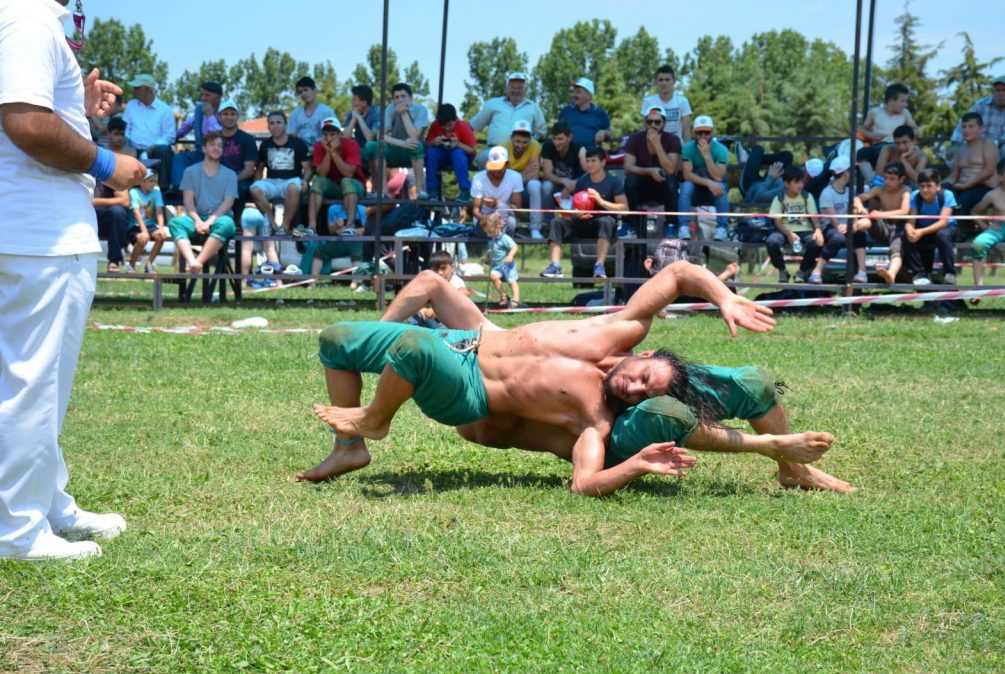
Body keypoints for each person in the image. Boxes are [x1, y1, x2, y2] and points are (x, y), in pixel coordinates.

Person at [306, 262, 850, 497]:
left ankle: (375, 421)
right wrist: (724, 295)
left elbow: (584, 483)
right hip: (476, 338)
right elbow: (680, 273)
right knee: (340, 337)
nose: (635, 388)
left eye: (644, 394)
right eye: (644, 377)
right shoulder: (618, 328)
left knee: (411, 346)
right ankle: (349, 445)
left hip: (469, 390)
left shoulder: (596, 418)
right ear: (643, 352)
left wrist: (635, 462)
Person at [1, 0, 146, 561]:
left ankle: (46, 500)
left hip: (33, 231)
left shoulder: (26, 23)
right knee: (31, 385)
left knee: (39, 386)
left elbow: (32, 114)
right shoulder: (28, 20)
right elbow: (26, 124)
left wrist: (77, 111)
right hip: (40, 235)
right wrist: (109, 165)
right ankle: (17, 529)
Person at [541, 146, 627, 279]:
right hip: (581, 222)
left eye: (594, 160)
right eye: (588, 161)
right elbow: (576, 205)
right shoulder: (583, 180)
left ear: (603, 162)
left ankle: (599, 266)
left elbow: (625, 209)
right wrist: (576, 213)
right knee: (556, 221)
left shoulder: (613, 182)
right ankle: (555, 265)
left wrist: (601, 201)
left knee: (607, 221)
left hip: (602, 225)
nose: (590, 164)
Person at [247, 110, 310, 279]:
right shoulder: (266, 145)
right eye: (272, 123)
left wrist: (306, 180)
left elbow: (308, 167)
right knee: (254, 189)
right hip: (272, 181)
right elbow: (260, 169)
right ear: (268, 126)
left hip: (292, 180)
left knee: (293, 187)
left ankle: (284, 225)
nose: (275, 126)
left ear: (285, 124)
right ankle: (272, 219)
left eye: (278, 122)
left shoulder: (298, 144)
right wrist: (257, 182)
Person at [168, 132, 237, 273]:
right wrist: (198, 221)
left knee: (227, 224)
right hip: (197, 219)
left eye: (219, 146)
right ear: (204, 149)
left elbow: (228, 202)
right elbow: (188, 201)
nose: (216, 148)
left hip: (219, 220)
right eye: (212, 145)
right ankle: (191, 260)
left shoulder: (230, 174)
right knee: (175, 223)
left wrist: (209, 222)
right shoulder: (190, 171)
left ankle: (197, 262)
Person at [803, 156, 869, 284]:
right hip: (830, 228)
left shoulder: (850, 191)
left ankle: (862, 272)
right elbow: (833, 220)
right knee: (838, 238)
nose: (853, 173)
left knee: (860, 234)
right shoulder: (827, 193)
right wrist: (842, 227)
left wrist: (854, 224)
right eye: (851, 170)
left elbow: (854, 211)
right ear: (845, 173)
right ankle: (817, 272)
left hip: (847, 226)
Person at [623, 105, 681, 236]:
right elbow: (627, 168)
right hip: (642, 187)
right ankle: (631, 224)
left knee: (671, 180)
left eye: (657, 122)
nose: (653, 125)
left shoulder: (672, 140)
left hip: (663, 188)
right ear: (645, 123)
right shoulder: (635, 139)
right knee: (629, 180)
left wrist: (657, 144)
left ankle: (671, 225)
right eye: (649, 122)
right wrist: (650, 171)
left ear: (664, 124)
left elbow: (671, 169)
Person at [362, 83, 429, 193]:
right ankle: (382, 192)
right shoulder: (390, 109)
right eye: (396, 97)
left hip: (414, 151)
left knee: (417, 146)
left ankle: (420, 191)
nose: (400, 100)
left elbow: (414, 136)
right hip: (396, 149)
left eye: (403, 96)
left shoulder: (421, 110)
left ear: (411, 98)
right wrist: (402, 143)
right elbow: (381, 136)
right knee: (373, 146)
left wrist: (403, 114)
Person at [852, 163, 912, 285]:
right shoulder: (880, 189)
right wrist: (859, 205)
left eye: (892, 179)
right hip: (882, 227)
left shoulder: (906, 190)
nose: (888, 182)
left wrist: (881, 214)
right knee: (869, 216)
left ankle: (891, 274)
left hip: (899, 228)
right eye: (886, 178)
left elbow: (904, 211)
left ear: (901, 179)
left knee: (896, 249)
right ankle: (855, 227)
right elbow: (858, 198)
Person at [470, 72, 546, 167]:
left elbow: (541, 132)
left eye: (520, 88)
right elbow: (474, 125)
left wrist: (528, 144)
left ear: (526, 90)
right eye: (513, 87)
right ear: (506, 89)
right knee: (483, 158)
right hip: (496, 149)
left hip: (522, 152)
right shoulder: (492, 104)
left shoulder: (534, 108)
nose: (516, 91)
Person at [970, 159, 1005, 286]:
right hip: (997, 230)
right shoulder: (992, 195)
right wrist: (984, 227)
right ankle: (978, 286)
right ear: (1000, 177)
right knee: (978, 244)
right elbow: (974, 212)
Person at [308, 116, 366, 234]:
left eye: (333, 134)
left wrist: (334, 153)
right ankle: (311, 227)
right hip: (333, 186)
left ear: (340, 134)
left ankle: (350, 226)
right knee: (317, 181)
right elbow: (322, 173)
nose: (329, 138)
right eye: (325, 134)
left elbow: (348, 173)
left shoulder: (351, 144)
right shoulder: (319, 146)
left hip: (355, 185)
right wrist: (329, 153)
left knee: (346, 181)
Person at [903, 169, 958, 286]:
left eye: (929, 186)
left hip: (945, 228)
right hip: (924, 230)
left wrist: (921, 232)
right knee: (906, 235)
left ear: (938, 186)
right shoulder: (915, 196)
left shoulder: (947, 195)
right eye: (922, 186)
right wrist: (909, 229)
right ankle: (919, 273)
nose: (925, 190)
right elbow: (911, 220)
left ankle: (949, 273)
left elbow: (943, 222)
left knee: (942, 235)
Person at [951, 75, 1005, 163]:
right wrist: (955, 142)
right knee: (954, 155)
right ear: (993, 92)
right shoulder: (980, 105)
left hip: (1004, 144)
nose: (1001, 93)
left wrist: (996, 143)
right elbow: (964, 123)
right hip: (980, 145)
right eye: (997, 90)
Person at [766, 166, 820, 283]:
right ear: (786, 183)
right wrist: (789, 234)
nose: (800, 185)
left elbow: (814, 217)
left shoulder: (807, 196)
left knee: (815, 242)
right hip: (784, 230)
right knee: (772, 241)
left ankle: (802, 271)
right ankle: (782, 270)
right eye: (796, 182)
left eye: (801, 181)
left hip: (805, 230)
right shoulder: (779, 198)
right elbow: (777, 221)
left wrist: (818, 230)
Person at [679, 115, 729, 240]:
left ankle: (722, 228)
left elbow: (718, 176)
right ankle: (683, 226)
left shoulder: (721, 149)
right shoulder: (688, 148)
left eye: (706, 132)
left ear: (712, 132)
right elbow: (687, 175)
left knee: (721, 187)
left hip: (713, 191)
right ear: (694, 133)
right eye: (699, 132)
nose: (703, 136)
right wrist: (708, 183)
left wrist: (707, 155)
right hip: (696, 189)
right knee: (685, 187)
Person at [121, 73, 175, 189]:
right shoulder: (131, 105)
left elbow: (169, 136)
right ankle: (124, 190)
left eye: (137, 88)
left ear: (147, 89)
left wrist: (152, 147)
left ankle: (163, 190)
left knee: (164, 150)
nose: (133, 91)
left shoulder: (165, 110)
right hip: (133, 148)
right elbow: (126, 129)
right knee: (121, 149)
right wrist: (128, 143)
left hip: (155, 150)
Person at [948, 112, 999, 231]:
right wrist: (941, 186)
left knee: (962, 202)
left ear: (981, 128)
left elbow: (989, 170)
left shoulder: (988, 144)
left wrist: (967, 184)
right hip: (963, 187)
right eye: (964, 126)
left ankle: (966, 233)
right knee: (945, 195)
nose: (966, 130)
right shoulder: (960, 149)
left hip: (984, 187)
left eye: (971, 126)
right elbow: (953, 175)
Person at [858, 83, 918, 180]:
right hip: (878, 146)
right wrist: (873, 135)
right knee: (861, 153)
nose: (905, 104)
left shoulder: (905, 113)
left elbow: (915, 129)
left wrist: (908, 139)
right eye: (902, 101)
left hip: (897, 146)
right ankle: (872, 181)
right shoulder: (874, 112)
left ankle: (879, 180)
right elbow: (862, 129)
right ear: (891, 100)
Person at [424, 103, 475, 202]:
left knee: (457, 154)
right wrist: (434, 142)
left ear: (455, 120)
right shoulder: (435, 125)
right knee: (431, 153)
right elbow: (427, 144)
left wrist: (458, 144)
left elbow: (473, 151)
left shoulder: (463, 126)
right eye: (443, 126)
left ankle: (465, 191)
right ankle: (432, 191)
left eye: (450, 125)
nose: (447, 129)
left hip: (461, 158)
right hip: (442, 155)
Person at [503, 120, 544, 238]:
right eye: (517, 141)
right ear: (511, 138)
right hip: (508, 190)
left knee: (535, 184)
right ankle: (509, 225)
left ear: (530, 139)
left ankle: (535, 228)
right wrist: (525, 174)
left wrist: (514, 177)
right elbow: (502, 178)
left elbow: (535, 174)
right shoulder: (503, 147)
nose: (520, 145)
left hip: (523, 189)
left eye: (525, 142)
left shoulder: (535, 146)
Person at [471, 146, 523, 236]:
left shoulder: (516, 177)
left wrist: (498, 205)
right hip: (484, 216)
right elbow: (476, 209)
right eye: (493, 167)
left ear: (507, 164)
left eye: (499, 168)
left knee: (511, 223)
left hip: (505, 215)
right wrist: (485, 218)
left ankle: (500, 244)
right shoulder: (478, 178)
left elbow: (517, 209)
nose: (495, 171)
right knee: (486, 225)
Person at [125, 169, 168, 274]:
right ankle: (131, 264)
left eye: (155, 181)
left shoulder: (156, 192)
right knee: (144, 237)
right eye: (151, 181)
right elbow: (136, 212)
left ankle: (149, 264)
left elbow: (159, 212)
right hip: (135, 225)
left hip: (150, 225)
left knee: (162, 236)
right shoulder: (133, 192)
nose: (154, 183)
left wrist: (161, 228)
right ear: (142, 182)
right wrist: (144, 231)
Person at [216, 99, 258, 206]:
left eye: (232, 114)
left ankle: (236, 221)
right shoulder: (213, 138)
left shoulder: (247, 139)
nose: (229, 117)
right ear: (219, 117)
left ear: (237, 117)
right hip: (217, 178)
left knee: (237, 188)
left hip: (240, 179)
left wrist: (231, 180)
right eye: (225, 114)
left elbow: (249, 170)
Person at [540, 121, 585, 218]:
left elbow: (588, 174)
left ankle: (576, 221)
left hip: (576, 185)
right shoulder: (548, 146)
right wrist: (565, 181)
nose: (556, 142)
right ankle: (548, 222)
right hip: (557, 184)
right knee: (546, 186)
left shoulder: (579, 149)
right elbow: (547, 174)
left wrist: (571, 185)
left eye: (560, 139)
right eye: (554, 139)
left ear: (569, 138)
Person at [93, 165, 132, 272]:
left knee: (118, 212)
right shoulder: (77, 172)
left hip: (104, 219)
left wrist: (93, 202)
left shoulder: (110, 174)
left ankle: (114, 260)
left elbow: (124, 201)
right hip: (80, 214)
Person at [640, 65, 692, 144]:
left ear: (674, 81)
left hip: (676, 145)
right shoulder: (648, 101)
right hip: (654, 145)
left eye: (667, 80)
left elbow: (686, 131)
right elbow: (644, 128)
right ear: (656, 82)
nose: (664, 83)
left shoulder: (682, 101)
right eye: (661, 80)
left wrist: (688, 152)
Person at [557, 77, 611, 148]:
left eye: (578, 92)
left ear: (589, 96)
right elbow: (557, 133)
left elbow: (610, 134)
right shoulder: (566, 111)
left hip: (590, 157)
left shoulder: (600, 113)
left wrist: (605, 133)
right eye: (574, 91)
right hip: (568, 156)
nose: (574, 95)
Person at [482, 213, 520, 307]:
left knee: (512, 281)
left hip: (507, 266)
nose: (488, 234)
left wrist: (510, 256)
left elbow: (514, 247)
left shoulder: (505, 238)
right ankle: (503, 296)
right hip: (497, 267)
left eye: (490, 232)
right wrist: (487, 257)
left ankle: (516, 299)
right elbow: (492, 250)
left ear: (498, 226)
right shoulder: (492, 239)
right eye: (486, 232)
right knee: (492, 276)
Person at [288, 76, 336, 148]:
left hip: (323, 152)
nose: (303, 94)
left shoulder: (327, 112)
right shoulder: (295, 114)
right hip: (301, 153)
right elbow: (290, 135)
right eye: (300, 92)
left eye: (306, 90)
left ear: (315, 90)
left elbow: (334, 136)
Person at [342, 84, 379, 149]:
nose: (352, 102)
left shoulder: (376, 112)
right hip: (358, 149)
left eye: (354, 100)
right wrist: (353, 120)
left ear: (364, 102)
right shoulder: (351, 114)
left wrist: (359, 118)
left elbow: (370, 138)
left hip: (373, 151)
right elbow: (345, 138)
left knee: (370, 145)